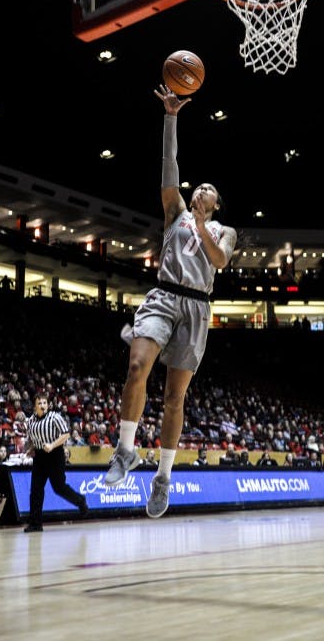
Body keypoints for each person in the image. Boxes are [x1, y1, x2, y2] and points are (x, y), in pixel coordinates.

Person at [105, 83, 237, 520]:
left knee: (174, 399)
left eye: (209, 190)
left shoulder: (223, 231)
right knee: (137, 366)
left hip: (198, 307)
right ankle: (125, 450)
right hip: (164, 296)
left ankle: (162, 477)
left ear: (217, 204)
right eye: (198, 186)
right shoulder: (174, 212)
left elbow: (218, 261)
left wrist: (202, 227)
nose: (200, 190)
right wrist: (171, 115)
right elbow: (169, 166)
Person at [22, 392, 87, 532]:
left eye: (44, 403)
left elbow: (65, 434)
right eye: (39, 403)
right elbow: (34, 438)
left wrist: (51, 445)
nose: (42, 405)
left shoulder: (55, 417)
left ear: (48, 405)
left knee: (59, 487)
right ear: (35, 406)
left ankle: (80, 500)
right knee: (35, 490)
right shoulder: (30, 421)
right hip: (39, 457)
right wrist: (32, 449)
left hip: (55, 455)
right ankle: (35, 523)